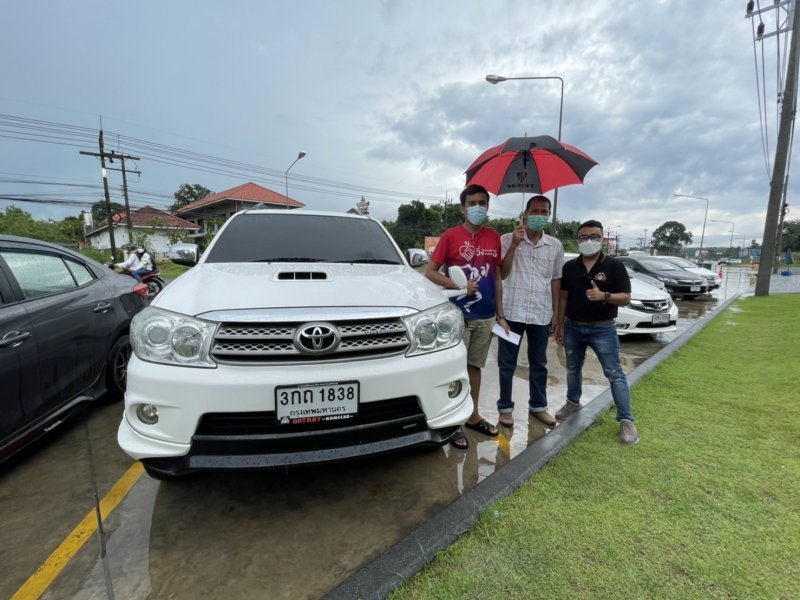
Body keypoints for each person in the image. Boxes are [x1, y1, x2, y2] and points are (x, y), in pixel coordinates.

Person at [425, 184, 504, 449]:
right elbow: (431, 272)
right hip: (456, 317)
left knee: (474, 367)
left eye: (483, 202)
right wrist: (457, 286)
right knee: (453, 370)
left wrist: (500, 314)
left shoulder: (494, 237)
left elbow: (498, 278)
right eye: (473, 203)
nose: (478, 207)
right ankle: (453, 423)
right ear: (463, 207)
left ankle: (472, 416)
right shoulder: (450, 236)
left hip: (485, 315)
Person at [554, 220, 639, 444]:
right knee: (572, 368)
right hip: (573, 326)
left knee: (614, 373)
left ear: (602, 240)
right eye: (584, 237)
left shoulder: (614, 266)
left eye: (594, 237)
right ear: (577, 240)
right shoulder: (570, 267)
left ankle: (626, 420)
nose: (589, 241)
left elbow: (626, 297)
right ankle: (573, 402)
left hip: (603, 329)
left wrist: (605, 296)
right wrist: (560, 324)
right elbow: (563, 297)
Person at [496, 195, 564, 428]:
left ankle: (538, 406)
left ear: (549, 214)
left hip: (540, 314)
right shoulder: (507, 239)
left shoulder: (555, 245)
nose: (539, 216)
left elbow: (555, 280)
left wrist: (555, 314)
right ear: (525, 213)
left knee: (539, 363)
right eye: (534, 211)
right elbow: (502, 274)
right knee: (506, 364)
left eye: (544, 212)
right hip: (511, 313)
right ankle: (505, 408)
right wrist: (515, 245)